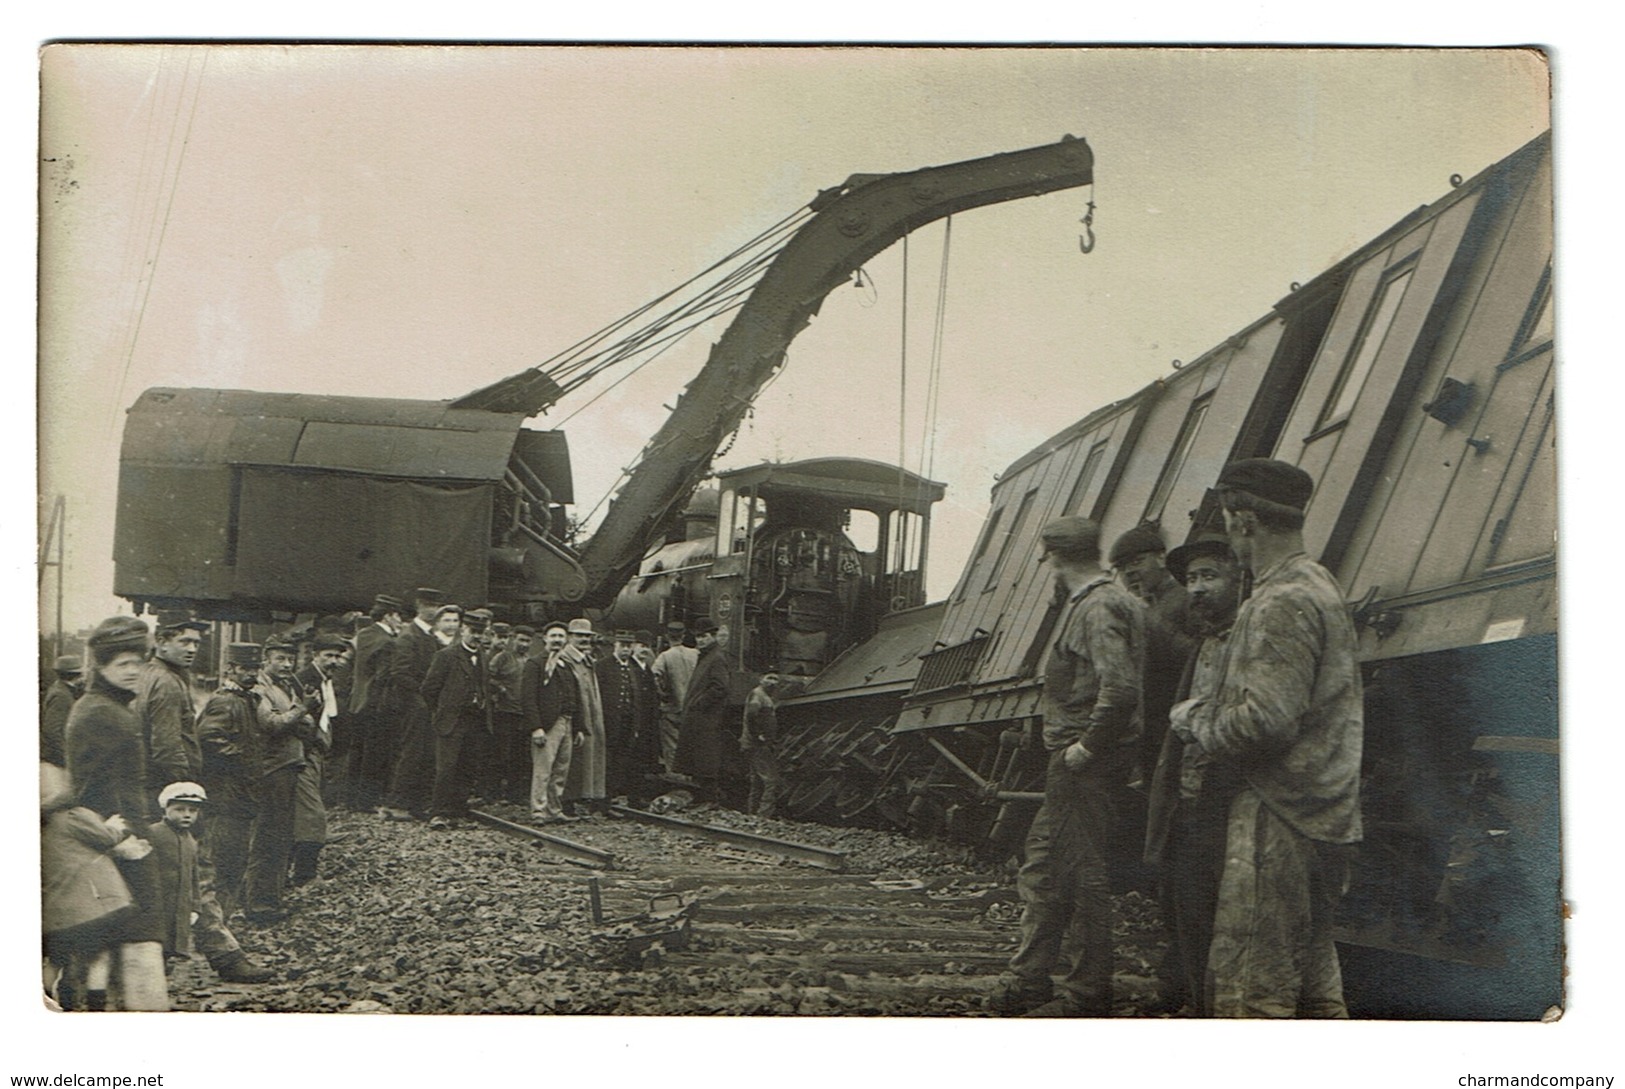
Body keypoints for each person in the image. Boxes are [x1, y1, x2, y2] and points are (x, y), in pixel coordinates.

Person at [1173, 459, 1363, 1018]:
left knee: (1254, 993)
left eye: (1230, 521)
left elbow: (1265, 722)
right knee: (1316, 995)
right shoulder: (1321, 583)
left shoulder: (1279, 599)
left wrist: (1194, 719)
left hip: (1277, 817)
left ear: (1244, 521)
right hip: (1324, 813)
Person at [990, 516, 1144, 1018]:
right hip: (1076, 763)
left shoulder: (1097, 606)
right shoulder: (1109, 599)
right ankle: (1030, 978)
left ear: (1054, 556)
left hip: (1081, 763)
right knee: (1044, 867)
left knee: (1082, 874)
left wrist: (1087, 747)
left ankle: (1086, 994)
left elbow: (1119, 689)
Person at [135, 610, 272, 983]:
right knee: (199, 876)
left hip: (155, 794)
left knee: (177, 878)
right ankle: (225, 957)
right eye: (184, 641)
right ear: (161, 641)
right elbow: (166, 747)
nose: (193, 649)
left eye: (196, 642)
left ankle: (163, 962)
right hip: (170, 794)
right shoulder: (165, 681)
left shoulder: (161, 675)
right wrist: (185, 798)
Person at [1143, 534, 1242, 1016]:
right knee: (1185, 906)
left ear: (1237, 578)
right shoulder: (1204, 642)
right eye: (1192, 579)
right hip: (1188, 798)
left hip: (1223, 802)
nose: (1198, 589)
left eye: (1210, 577)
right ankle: (1190, 1001)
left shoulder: (1244, 639)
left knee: (1216, 916)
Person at [64, 615, 169, 1011]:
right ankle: (141, 1015)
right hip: (117, 840)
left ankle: (98, 1008)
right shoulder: (102, 713)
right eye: (122, 663)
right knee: (136, 933)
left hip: (116, 836)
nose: (133, 671)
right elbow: (91, 789)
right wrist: (120, 840)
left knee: (108, 937)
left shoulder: (105, 707)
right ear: (102, 666)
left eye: (138, 662)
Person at [41, 761, 138, 1011]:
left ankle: (48, 1001)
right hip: (94, 907)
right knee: (99, 957)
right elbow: (105, 837)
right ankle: (96, 1007)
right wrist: (114, 827)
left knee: (57, 961)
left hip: (55, 914)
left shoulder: (40, 828)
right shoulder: (74, 816)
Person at [243, 635, 320, 925]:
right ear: (266, 660)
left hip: (288, 767)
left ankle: (269, 899)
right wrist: (303, 710)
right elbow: (272, 724)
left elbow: (303, 725)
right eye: (280, 659)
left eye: (291, 659)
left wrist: (301, 717)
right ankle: (260, 906)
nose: (287, 664)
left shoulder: (285, 687)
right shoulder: (261, 689)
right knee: (268, 838)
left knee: (281, 837)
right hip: (271, 770)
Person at [197, 643, 266, 926]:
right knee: (227, 860)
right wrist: (243, 761)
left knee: (234, 858)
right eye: (245, 668)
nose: (252, 674)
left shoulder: (245, 698)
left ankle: (220, 919)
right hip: (226, 794)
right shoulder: (227, 701)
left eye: (255, 668)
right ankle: (215, 926)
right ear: (231, 669)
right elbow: (208, 737)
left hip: (238, 792)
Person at [379, 589, 453, 821]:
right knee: (411, 752)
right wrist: (423, 696)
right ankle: (396, 803)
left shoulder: (431, 636)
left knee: (426, 753)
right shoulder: (409, 636)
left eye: (438, 606)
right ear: (420, 606)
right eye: (431, 606)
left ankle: (417, 803)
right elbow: (400, 673)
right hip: (412, 704)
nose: (435, 610)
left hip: (426, 704)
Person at [424, 608, 494, 830]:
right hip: (452, 721)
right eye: (473, 631)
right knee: (447, 767)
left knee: (467, 765)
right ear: (463, 629)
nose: (477, 636)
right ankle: (439, 812)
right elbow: (429, 689)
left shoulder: (482, 655)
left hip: (475, 719)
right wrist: (442, 711)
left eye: (482, 633)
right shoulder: (446, 656)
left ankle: (458, 808)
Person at [290, 633, 345, 883]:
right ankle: (305, 875)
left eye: (337, 656)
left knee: (302, 815)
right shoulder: (305, 681)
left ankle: (292, 872)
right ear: (315, 656)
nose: (333, 661)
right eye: (328, 656)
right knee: (312, 815)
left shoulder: (326, 680)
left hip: (316, 754)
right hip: (302, 755)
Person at [348, 593, 405, 812]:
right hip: (376, 705)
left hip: (358, 701)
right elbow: (385, 677)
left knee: (358, 752)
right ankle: (367, 801)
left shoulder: (364, 634)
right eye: (398, 616)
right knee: (374, 754)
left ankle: (352, 799)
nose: (400, 620)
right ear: (389, 616)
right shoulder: (387, 642)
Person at [520, 621, 577, 823]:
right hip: (547, 724)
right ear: (545, 638)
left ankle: (554, 809)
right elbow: (527, 698)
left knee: (560, 770)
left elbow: (573, 696)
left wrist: (577, 727)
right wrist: (536, 727)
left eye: (561, 637)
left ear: (566, 640)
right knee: (543, 769)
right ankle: (538, 811)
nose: (557, 640)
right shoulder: (535, 664)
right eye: (553, 636)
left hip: (567, 722)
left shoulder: (565, 665)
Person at [145, 781, 206, 967]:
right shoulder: (153, 833)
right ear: (166, 809)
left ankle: (165, 964)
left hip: (180, 902)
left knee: (174, 936)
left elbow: (194, 876)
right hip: (157, 901)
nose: (187, 814)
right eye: (180, 809)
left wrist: (195, 905)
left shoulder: (191, 841)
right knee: (154, 940)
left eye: (193, 810)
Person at [675, 618, 732, 803]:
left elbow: (720, 687)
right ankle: (704, 800)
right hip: (700, 719)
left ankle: (709, 801)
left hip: (707, 720)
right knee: (700, 763)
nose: (700, 640)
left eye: (704, 636)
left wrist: (698, 703)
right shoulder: (707, 656)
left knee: (706, 763)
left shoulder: (716, 658)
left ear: (713, 636)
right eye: (698, 637)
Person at [560, 618, 607, 816]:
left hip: (592, 714)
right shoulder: (565, 659)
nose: (583, 639)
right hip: (576, 715)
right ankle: (566, 801)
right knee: (571, 758)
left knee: (588, 755)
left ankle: (587, 796)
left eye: (586, 636)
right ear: (570, 637)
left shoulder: (587, 659)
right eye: (578, 635)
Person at [485, 623, 532, 803]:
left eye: (527, 641)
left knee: (519, 756)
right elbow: (488, 677)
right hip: (504, 713)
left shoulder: (529, 660)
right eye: (521, 640)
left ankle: (515, 794)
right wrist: (500, 688)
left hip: (522, 713)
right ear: (513, 639)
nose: (524, 644)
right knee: (500, 754)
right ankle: (492, 793)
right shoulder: (502, 658)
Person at [651, 621, 698, 774]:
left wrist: (663, 695)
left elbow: (653, 676)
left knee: (672, 746)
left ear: (667, 637)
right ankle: (690, 774)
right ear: (683, 636)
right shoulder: (696, 654)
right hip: (694, 708)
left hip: (673, 709)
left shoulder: (665, 656)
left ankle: (674, 775)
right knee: (691, 744)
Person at [738, 671, 782, 818]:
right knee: (771, 780)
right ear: (760, 679)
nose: (773, 682)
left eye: (776, 679)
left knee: (757, 781)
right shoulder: (758, 695)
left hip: (753, 744)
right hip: (756, 744)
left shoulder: (764, 696)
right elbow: (752, 715)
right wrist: (758, 735)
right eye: (769, 678)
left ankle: (752, 814)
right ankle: (764, 815)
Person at [40, 655, 83, 769]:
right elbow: (52, 731)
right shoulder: (61, 695)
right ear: (76, 675)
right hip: (56, 761)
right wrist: (67, 757)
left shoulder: (61, 688)